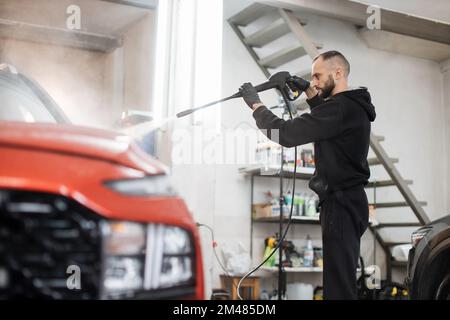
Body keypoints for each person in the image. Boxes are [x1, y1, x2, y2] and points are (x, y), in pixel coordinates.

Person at [239, 50, 376, 299]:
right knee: (340, 279)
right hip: (349, 201)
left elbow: (286, 135)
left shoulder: (339, 109)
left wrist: (256, 105)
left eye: (317, 76)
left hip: (341, 204)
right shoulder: (352, 106)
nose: (313, 81)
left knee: (338, 288)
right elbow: (328, 120)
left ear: (338, 72)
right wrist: (309, 92)